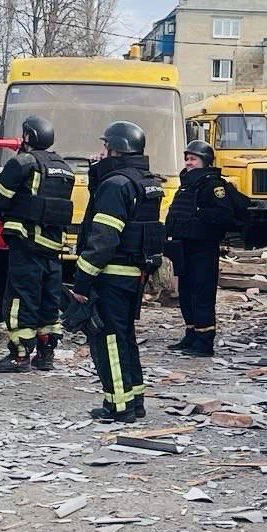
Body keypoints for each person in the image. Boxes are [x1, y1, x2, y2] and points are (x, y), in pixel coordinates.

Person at [70, 121, 165, 423]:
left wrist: (82, 282)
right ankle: (135, 400)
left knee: (109, 340)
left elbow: (103, 240)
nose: (101, 152)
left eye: (105, 147)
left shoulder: (116, 185)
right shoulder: (146, 182)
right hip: (133, 274)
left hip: (110, 274)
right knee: (125, 337)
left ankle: (118, 406)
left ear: (116, 149)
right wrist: (98, 174)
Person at [0, 115, 74, 373]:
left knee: (21, 298)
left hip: (26, 242)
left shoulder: (23, 162)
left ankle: (20, 356)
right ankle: (46, 354)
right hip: (53, 247)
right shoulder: (64, 168)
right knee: (49, 299)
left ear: (28, 136)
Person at [165, 139, 235, 358]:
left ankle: (204, 342)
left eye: (193, 159)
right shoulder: (187, 184)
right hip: (183, 247)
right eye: (187, 159)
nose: (188, 162)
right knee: (186, 293)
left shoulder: (213, 185)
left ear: (205, 161)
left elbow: (223, 215)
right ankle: (191, 335)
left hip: (203, 248)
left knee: (201, 293)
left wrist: (196, 218)